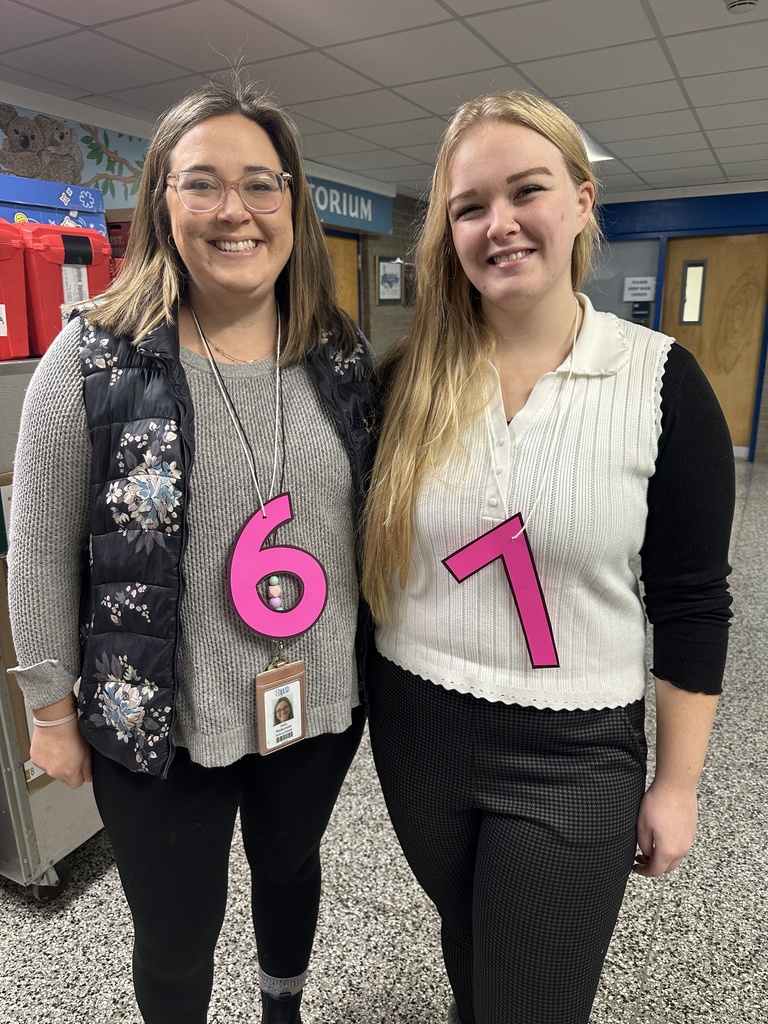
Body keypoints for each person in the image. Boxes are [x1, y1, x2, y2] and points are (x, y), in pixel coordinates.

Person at [7, 80, 376, 1024]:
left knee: (291, 870)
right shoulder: (90, 359)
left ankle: (281, 1006)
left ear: (292, 201)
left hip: (314, 701)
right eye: (200, 182)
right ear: (162, 203)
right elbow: (40, 551)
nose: (234, 210)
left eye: (261, 183)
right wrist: (49, 710)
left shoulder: (339, 357)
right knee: (175, 934)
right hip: (156, 721)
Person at [362, 91, 734, 1024]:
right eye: (469, 207)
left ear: (581, 200)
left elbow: (692, 602)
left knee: (535, 998)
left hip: (574, 751)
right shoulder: (405, 382)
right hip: (417, 730)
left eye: (526, 191)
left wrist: (678, 786)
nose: (500, 225)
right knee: (473, 950)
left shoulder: (660, 382)